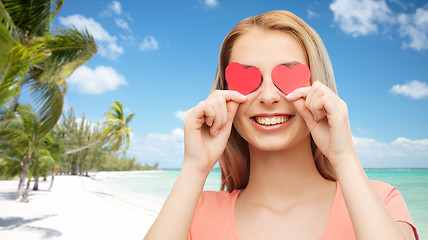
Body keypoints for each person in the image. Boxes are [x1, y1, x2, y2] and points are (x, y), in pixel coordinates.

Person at [144, 10, 418, 240]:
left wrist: (344, 157)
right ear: (225, 94)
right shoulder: (194, 213)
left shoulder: (381, 201)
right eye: (247, 79)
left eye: (288, 77)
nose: (268, 96)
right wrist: (194, 167)